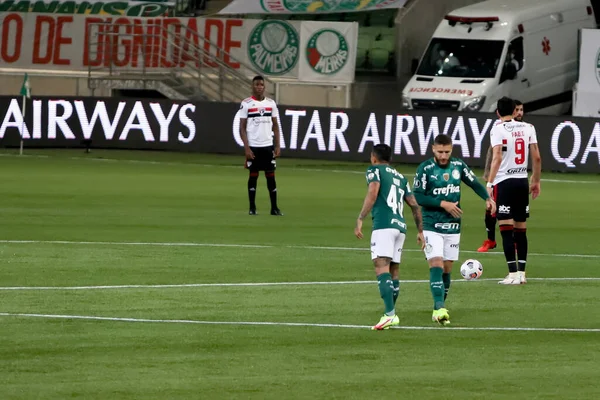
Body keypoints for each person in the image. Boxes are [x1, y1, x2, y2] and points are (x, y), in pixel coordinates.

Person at [413, 134, 495, 325]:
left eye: (447, 152)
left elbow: (474, 183)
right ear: (433, 148)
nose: (443, 156)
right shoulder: (425, 169)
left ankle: (439, 307)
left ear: (451, 149)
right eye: (440, 151)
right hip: (431, 223)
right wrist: (443, 204)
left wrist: (487, 198)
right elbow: (417, 197)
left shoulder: (458, 166)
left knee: (447, 269)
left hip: (452, 225)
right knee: (436, 264)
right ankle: (439, 307)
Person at [354, 144, 425, 331]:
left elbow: (373, 191)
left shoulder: (374, 170)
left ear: (374, 158)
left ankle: (390, 314)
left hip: (384, 225)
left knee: (381, 267)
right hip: (400, 227)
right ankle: (390, 312)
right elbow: (415, 205)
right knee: (394, 271)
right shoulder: (401, 177)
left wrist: (361, 217)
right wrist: (420, 231)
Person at [487, 97, 542, 285]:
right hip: (521, 182)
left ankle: (511, 274)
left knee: (505, 229)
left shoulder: (497, 129)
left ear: (497, 112)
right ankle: (522, 273)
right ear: (514, 110)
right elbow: (537, 157)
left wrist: (489, 183)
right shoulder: (528, 128)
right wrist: (535, 181)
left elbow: (496, 157)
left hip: (505, 182)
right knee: (521, 230)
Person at [478, 100, 524, 252]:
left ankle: (514, 241)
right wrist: (489, 177)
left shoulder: (523, 129)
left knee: (515, 211)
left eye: (521, 110)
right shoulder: (498, 128)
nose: (519, 113)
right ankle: (491, 240)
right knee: (492, 207)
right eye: (517, 110)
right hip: (499, 174)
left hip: (514, 176)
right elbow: (494, 154)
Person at [239, 76, 283, 216]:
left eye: (261, 84)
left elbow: (275, 125)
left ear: (264, 87)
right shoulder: (246, 104)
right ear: (252, 87)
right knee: (253, 175)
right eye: (256, 84)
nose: (259, 87)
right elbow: (242, 127)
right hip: (254, 146)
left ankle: (274, 208)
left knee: (271, 176)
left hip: (267, 145)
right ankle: (252, 208)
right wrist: (246, 148)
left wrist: (277, 145)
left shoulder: (271, 103)